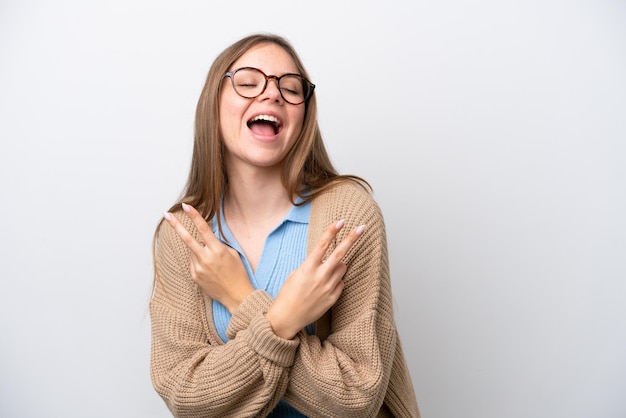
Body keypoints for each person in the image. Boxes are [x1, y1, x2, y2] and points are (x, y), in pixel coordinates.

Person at [150, 33, 420, 418]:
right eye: (247, 82)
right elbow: (188, 397)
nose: (272, 95)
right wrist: (283, 319)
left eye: (290, 89)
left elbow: (356, 397)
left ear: (303, 116)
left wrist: (240, 298)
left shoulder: (349, 218)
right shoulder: (183, 235)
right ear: (214, 103)